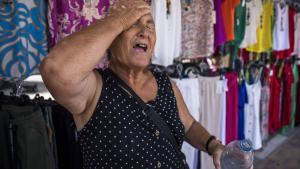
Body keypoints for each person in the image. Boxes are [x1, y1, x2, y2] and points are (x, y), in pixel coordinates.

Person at [40, 0, 225, 168]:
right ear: (111, 37)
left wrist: (213, 145)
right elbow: (54, 70)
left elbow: (189, 125)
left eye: (149, 25)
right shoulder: (94, 89)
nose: (144, 32)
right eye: (133, 23)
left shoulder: (164, 83)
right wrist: (118, 20)